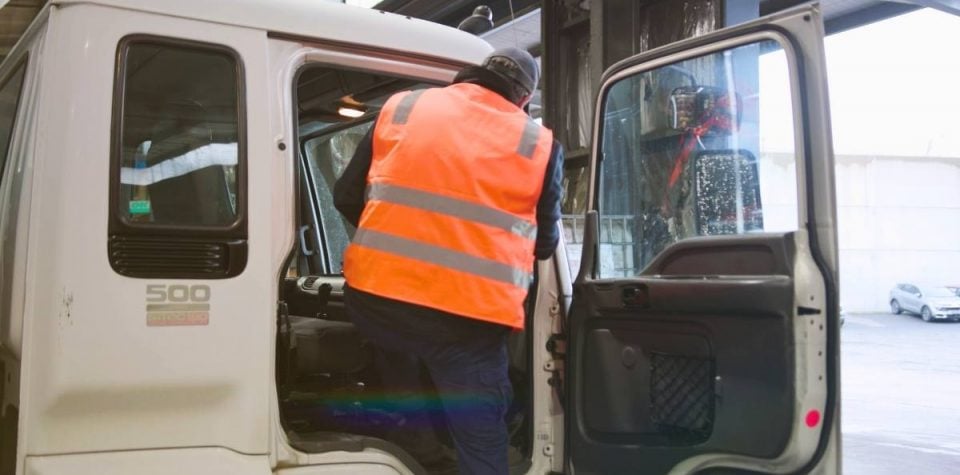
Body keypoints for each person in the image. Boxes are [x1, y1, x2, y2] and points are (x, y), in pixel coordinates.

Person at [333, 47, 563, 475]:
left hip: (377, 303)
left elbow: (345, 195)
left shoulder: (404, 106)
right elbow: (545, 245)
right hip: (465, 322)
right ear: (525, 99)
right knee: (480, 436)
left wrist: (394, 243)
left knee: (401, 362)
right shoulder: (537, 143)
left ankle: (417, 446)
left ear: (470, 75)